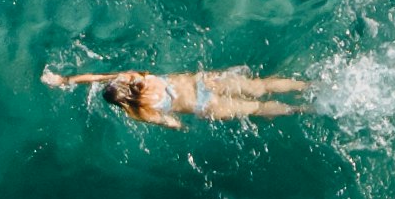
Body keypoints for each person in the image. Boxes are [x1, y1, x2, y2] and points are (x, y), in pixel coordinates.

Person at [49, 66, 308, 128]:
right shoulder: (134, 77)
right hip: (205, 81)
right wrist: (64, 80)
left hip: (205, 105)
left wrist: (181, 127)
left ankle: (303, 111)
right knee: (259, 86)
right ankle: (307, 85)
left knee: (256, 108)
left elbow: (171, 124)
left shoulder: (140, 111)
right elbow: (96, 77)